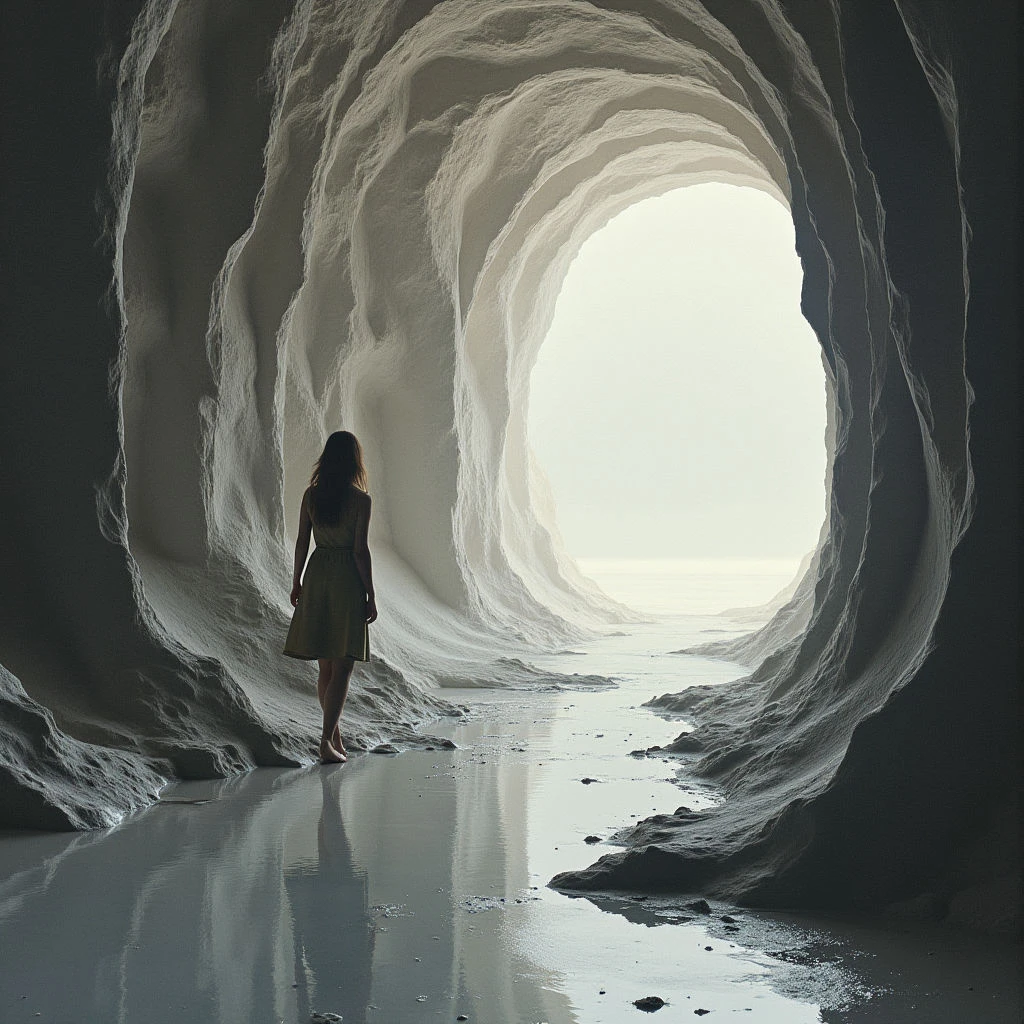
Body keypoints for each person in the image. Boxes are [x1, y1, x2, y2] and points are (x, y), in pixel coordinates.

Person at [284, 430, 377, 763]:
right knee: (344, 664)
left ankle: (333, 737)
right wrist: (370, 593)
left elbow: (300, 542)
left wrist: (296, 581)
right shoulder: (360, 500)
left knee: (326, 665)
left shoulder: (312, 495)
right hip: (345, 579)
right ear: (355, 460)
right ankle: (326, 740)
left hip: (318, 570)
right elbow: (359, 550)